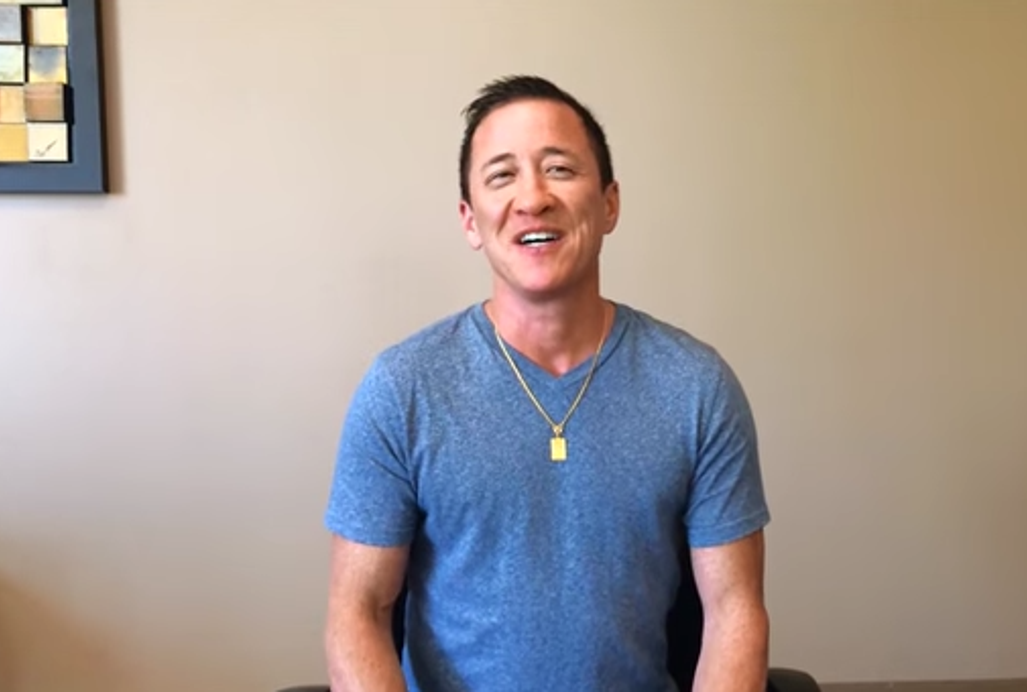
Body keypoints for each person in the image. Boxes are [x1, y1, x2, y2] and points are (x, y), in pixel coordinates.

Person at [323, 74, 771, 692]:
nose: (532, 198)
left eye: (559, 169)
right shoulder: (402, 389)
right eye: (502, 176)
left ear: (609, 204)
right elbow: (356, 613)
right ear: (470, 220)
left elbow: (734, 611)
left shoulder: (697, 387)